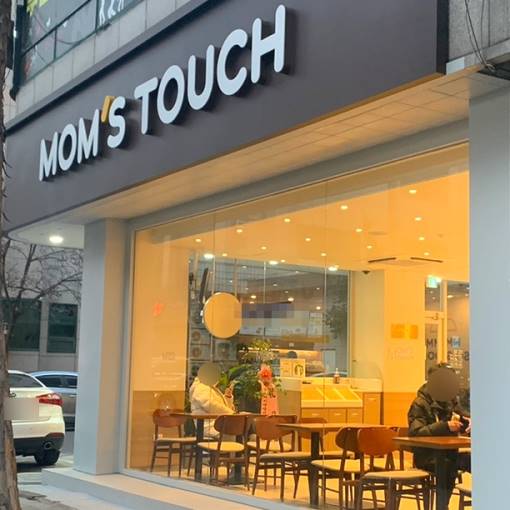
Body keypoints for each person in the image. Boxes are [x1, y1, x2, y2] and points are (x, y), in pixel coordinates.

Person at [408, 363, 471, 505]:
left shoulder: (450, 401)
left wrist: (468, 423)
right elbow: (416, 432)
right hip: (427, 456)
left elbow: (462, 417)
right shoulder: (420, 403)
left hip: (449, 453)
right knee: (448, 465)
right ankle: (442, 506)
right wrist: (445, 426)